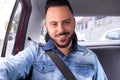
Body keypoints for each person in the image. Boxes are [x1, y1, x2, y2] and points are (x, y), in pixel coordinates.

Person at [0, 0, 108, 80]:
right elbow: (6, 67)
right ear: (47, 26)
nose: (61, 30)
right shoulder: (34, 52)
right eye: (54, 24)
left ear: (74, 23)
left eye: (66, 22)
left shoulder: (91, 58)